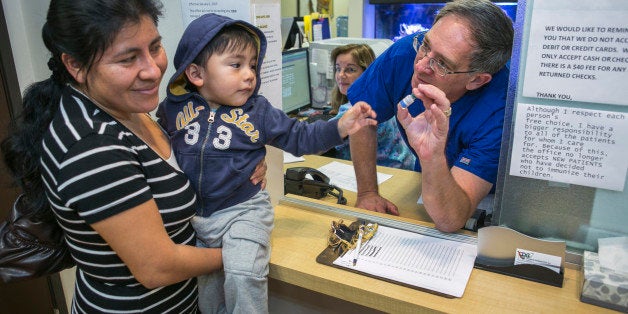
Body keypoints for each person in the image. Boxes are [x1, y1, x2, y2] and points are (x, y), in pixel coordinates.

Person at [0, 0, 263, 312]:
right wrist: (245, 254)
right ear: (75, 65)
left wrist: (238, 161)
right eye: (128, 59)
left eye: (155, 47)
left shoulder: (126, 107)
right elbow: (157, 267)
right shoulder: (92, 145)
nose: (153, 70)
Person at [156, 14, 377, 313]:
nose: (249, 74)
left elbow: (301, 137)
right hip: (197, 218)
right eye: (236, 65)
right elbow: (155, 145)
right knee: (207, 294)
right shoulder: (172, 109)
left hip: (244, 210)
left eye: (252, 65)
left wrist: (340, 126)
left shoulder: (258, 111)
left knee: (244, 274)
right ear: (196, 73)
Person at [347, 0, 514, 232]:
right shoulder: (406, 53)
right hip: (426, 185)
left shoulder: (499, 109)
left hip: (488, 198)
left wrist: (432, 155)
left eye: (442, 64)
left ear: (477, 80)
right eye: (426, 46)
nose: (421, 66)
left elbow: (451, 219)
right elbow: (363, 115)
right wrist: (367, 192)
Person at [329, 44, 416, 170]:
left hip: (390, 176)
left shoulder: (364, 107)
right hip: (404, 167)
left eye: (350, 70)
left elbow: (317, 140)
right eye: (338, 69)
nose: (341, 75)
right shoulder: (382, 97)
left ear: (367, 73)